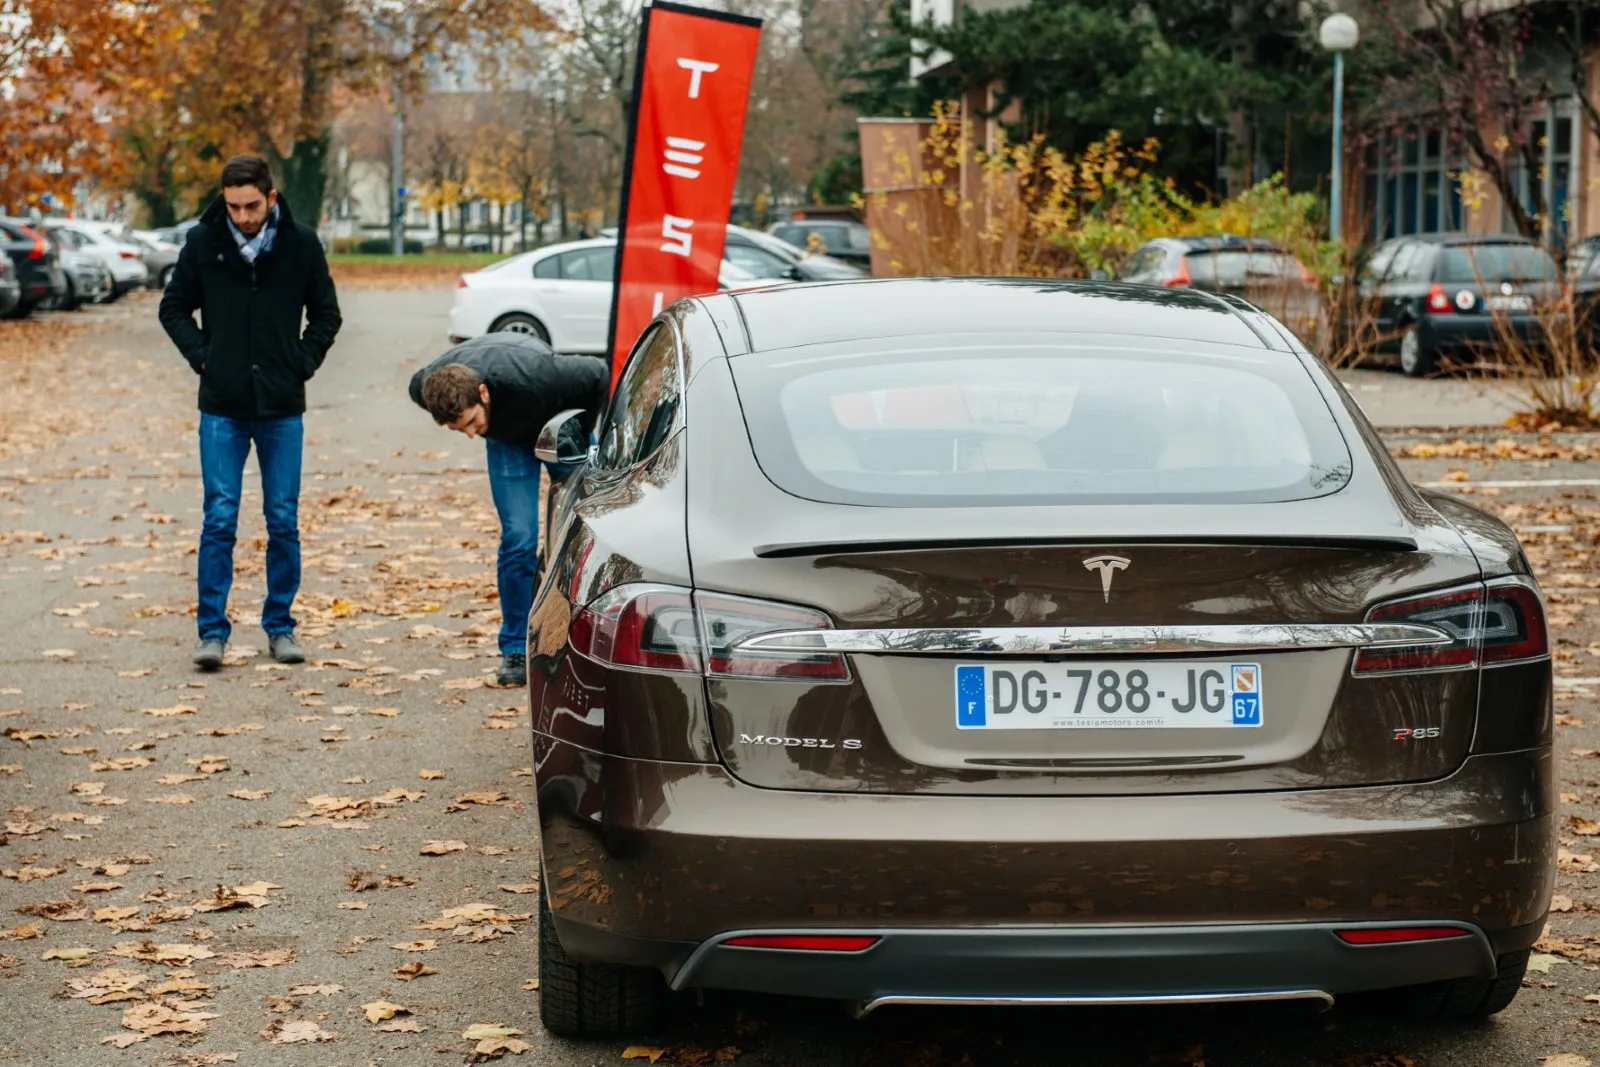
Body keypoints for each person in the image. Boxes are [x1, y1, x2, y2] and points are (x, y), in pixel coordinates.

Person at [158, 154, 342, 671]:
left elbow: (326, 313)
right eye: (233, 205)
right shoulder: (203, 241)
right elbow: (173, 307)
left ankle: (280, 626)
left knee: (282, 519)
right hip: (223, 405)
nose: (241, 216)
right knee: (219, 518)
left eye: (251, 206)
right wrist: (203, 357)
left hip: (282, 406)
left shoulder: (301, 243)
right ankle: (211, 632)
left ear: (271, 198)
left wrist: (301, 362)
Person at [409, 333, 607, 686]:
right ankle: (516, 648)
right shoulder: (424, 387)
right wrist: (480, 425)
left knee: (584, 529)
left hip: (556, 422)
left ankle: (585, 635)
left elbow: (596, 373)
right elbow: (423, 389)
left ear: (483, 393)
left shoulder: (540, 373)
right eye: (459, 430)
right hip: (508, 441)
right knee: (519, 539)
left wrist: (582, 428)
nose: (470, 434)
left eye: (471, 422)